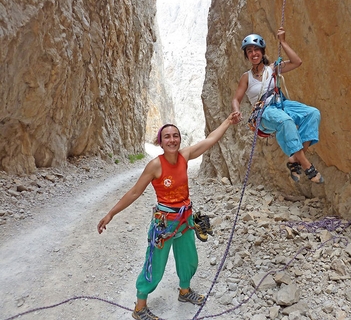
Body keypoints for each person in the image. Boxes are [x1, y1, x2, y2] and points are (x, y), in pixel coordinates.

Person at [97, 111, 239, 320]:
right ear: (161, 142)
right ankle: (139, 307)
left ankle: (184, 291)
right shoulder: (155, 165)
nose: (172, 140)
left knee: (188, 258)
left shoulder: (185, 155)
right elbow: (135, 192)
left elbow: (210, 140)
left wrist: (228, 121)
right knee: (155, 263)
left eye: (175, 136)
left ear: (179, 140)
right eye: (167, 137)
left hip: (185, 220)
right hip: (164, 224)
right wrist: (111, 213)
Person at [231, 27, 324, 184]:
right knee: (285, 121)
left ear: (262, 52)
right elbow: (236, 99)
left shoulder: (273, 68)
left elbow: (297, 62)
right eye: (249, 51)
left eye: (256, 50)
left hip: (281, 104)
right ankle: (307, 165)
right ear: (246, 55)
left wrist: (283, 42)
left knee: (313, 113)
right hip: (263, 112)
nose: (253, 54)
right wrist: (236, 111)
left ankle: (295, 158)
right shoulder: (246, 77)